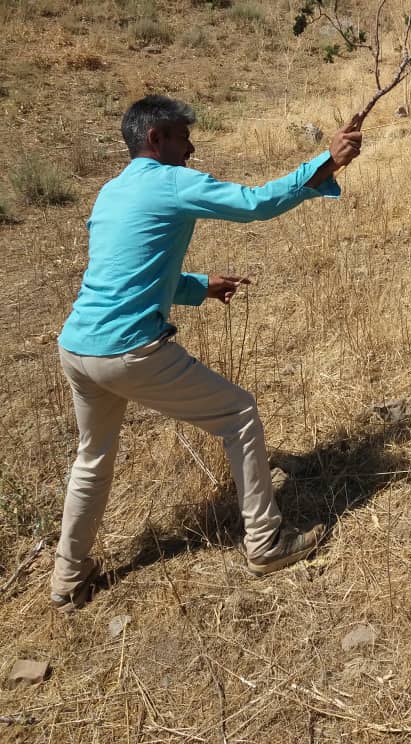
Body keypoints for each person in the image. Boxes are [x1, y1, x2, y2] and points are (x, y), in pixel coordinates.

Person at [51, 95, 363, 611]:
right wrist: (326, 160)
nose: (191, 147)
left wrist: (199, 287)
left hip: (78, 349)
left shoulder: (109, 193)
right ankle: (265, 543)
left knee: (91, 461)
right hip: (131, 350)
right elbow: (256, 204)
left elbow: (130, 273)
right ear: (155, 139)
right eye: (181, 136)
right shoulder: (170, 182)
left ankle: (67, 582)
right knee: (239, 414)